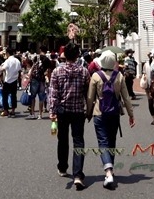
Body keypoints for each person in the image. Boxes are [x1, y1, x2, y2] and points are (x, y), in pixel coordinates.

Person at [86, 51, 134, 190]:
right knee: (112, 141)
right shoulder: (119, 76)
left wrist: (88, 113)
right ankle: (110, 169)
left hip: (99, 112)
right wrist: (131, 114)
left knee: (103, 141)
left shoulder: (96, 76)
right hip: (114, 112)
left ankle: (108, 172)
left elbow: (90, 98)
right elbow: (126, 97)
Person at [48, 42, 90, 190]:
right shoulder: (84, 71)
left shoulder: (57, 72)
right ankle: (78, 174)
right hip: (78, 110)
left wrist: (52, 111)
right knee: (78, 141)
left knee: (63, 139)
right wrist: (89, 109)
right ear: (78, 54)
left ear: (64, 55)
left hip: (62, 110)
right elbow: (87, 93)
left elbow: (53, 93)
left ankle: (62, 167)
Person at [0, 47, 21, 117]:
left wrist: (1, 67)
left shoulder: (7, 61)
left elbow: (2, 68)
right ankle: (13, 111)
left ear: (8, 53)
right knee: (13, 95)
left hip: (8, 80)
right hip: (14, 80)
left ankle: (6, 110)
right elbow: (19, 69)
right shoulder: (17, 60)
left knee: (5, 96)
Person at [29, 55, 50, 119]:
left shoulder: (36, 64)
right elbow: (47, 73)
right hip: (42, 81)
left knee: (33, 97)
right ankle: (40, 114)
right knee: (41, 98)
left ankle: (33, 113)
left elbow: (30, 72)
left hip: (34, 81)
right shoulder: (45, 65)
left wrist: (30, 79)